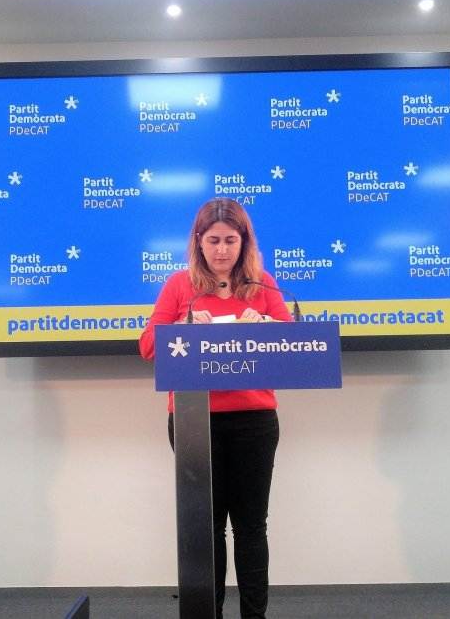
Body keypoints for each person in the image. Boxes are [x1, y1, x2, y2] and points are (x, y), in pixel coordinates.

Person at [139, 198, 292, 619]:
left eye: (230, 240)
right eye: (213, 241)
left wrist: (265, 326)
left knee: (250, 526)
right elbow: (148, 346)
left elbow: (293, 343)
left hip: (254, 420)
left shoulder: (263, 285)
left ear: (244, 243)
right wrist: (182, 328)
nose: (222, 250)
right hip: (195, 423)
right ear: (199, 242)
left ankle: (255, 616)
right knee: (207, 528)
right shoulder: (179, 286)